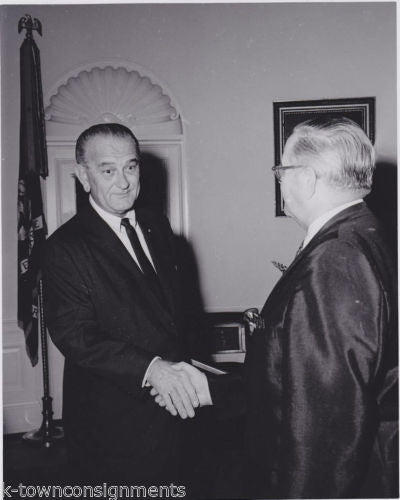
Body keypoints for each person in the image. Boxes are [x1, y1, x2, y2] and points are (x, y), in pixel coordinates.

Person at [154, 118, 398, 498]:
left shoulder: (336, 258)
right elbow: (303, 374)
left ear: (308, 177)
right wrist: (218, 390)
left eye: (281, 170)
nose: (280, 180)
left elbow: (326, 424)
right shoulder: (364, 231)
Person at [43, 123, 200, 485]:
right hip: (113, 421)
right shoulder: (64, 248)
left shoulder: (155, 224)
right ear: (83, 176)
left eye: (130, 167)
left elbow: (171, 314)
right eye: (108, 170)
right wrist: (152, 369)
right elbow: (75, 335)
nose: (124, 182)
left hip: (174, 408)